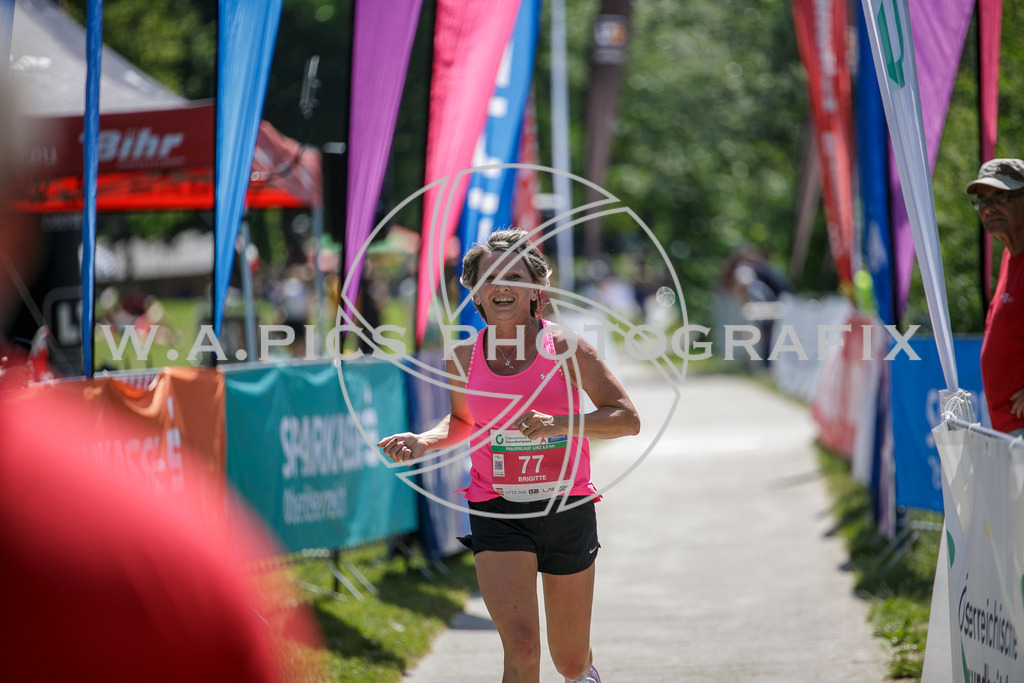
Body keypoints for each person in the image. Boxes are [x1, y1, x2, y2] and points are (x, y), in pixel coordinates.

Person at [378, 229, 640, 683]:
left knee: (570, 661)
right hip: (496, 510)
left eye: (514, 276)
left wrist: (557, 424)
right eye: (490, 277)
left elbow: (626, 418)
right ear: (475, 290)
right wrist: (424, 440)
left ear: (536, 289)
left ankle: (586, 675)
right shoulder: (462, 357)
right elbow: (462, 422)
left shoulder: (566, 349)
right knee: (520, 646)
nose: (501, 286)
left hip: (565, 507)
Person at [966, 158, 1024, 435]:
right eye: (983, 201)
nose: (989, 208)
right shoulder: (1008, 256)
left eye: (1000, 196)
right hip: (1007, 428)